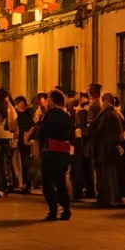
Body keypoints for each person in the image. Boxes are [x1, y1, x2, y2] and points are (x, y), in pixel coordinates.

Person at [38, 90, 73, 221]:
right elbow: (72, 134)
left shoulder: (49, 115)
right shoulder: (67, 115)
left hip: (50, 151)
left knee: (47, 183)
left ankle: (53, 210)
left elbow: (43, 133)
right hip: (64, 151)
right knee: (61, 182)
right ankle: (66, 209)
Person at [89, 92, 124, 207]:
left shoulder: (107, 113)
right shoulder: (115, 113)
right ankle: (112, 197)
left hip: (105, 149)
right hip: (110, 148)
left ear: (106, 101)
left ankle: (109, 197)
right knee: (111, 173)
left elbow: (98, 129)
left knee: (107, 174)